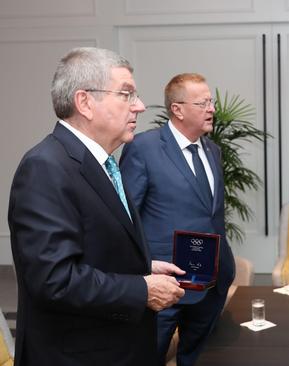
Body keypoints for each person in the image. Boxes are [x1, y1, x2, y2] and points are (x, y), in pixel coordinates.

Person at [8, 47, 185, 366]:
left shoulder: (102, 163)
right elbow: (54, 279)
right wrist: (141, 289)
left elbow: (92, 246)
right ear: (85, 102)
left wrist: (144, 266)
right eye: (127, 94)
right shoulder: (45, 167)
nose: (140, 106)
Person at [120, 73, 235, 366]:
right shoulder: (144, 148)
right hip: (165, 285)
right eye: (204, 102)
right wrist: (143, 270)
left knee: (200, 359)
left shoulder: (212, 150)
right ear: (178, 109)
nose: (212, 108)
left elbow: (210, 215)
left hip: (211, 283)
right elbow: (125, 218)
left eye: (212, 101)